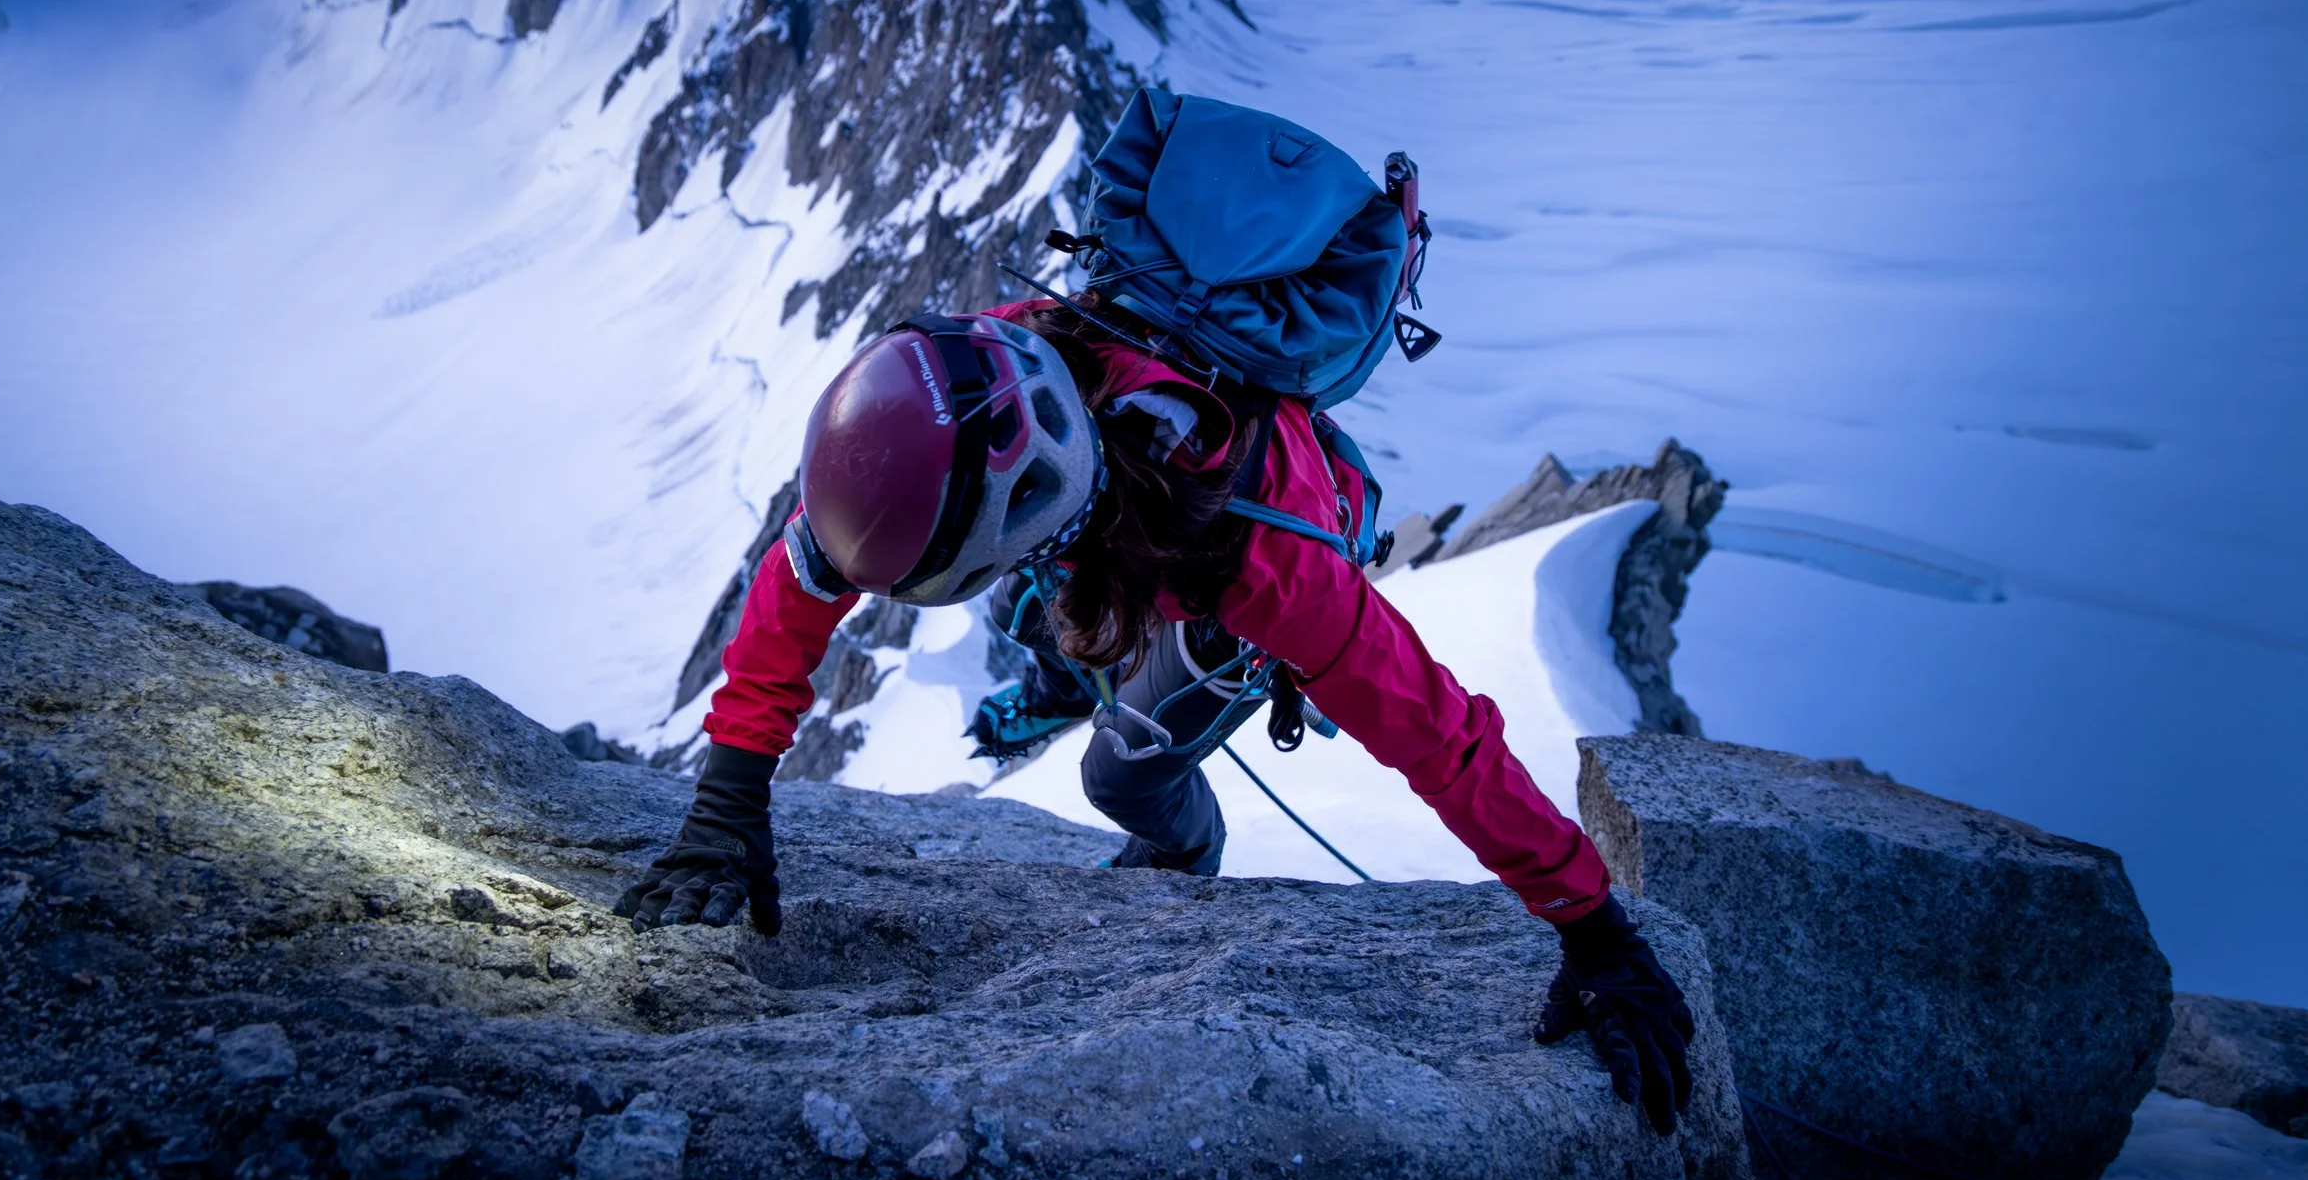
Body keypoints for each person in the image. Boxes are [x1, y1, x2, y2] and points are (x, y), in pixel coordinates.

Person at [629, 296, 1702, 1134]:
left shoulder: (1264, 571)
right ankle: (1099, 717)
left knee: (1121, 777)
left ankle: (1183, 854)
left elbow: (1437, 730)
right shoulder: (986, 371)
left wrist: (1593, 928)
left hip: (1216, 567)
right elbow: (804, 576)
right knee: (1074, 659)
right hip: (1125, 525)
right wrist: (727, 796)